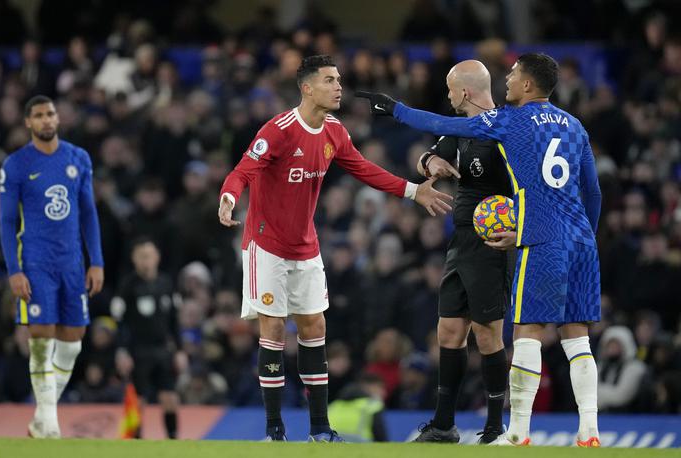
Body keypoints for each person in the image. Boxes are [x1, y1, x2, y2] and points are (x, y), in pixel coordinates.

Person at [357, 52, 602, 447]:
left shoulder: (509, 120)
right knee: (578, 338)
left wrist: (396, 109)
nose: (508, 79)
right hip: (580, 238)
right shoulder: (575, 126)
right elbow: (592, 190)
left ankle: (516, 431)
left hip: (539, 236)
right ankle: (589, 430)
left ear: (527, 85)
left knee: (525, 334)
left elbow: (440, 122)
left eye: (513, 74)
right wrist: (587, 235)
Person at [218, 54, 452, 442]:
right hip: (267, 245)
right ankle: (275, 430)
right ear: (307, 88)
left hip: (305, 246)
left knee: (315, 326)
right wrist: (228, 197)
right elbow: (244, 168)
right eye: (330, 80)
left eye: (339, 79)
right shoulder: (278, 130)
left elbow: (363, 168)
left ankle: (320, 429)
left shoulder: (335, 132)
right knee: (273, 329)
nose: (339, 86)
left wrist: (412, 191)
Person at [407, 60, 513, 444]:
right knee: (449, 331)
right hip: (461, 242)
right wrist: (429, 160)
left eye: (451, 89)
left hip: (492, 244)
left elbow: (530, 185)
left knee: (488, 335)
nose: (448, 96)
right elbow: (424, 159)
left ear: (465, 92)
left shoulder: (505, 129)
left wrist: (517, 226)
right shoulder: (459, 130)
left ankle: (495, 427)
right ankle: (443, 424)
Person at [0, 95, 104, 438]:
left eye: (51, 114)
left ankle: (42, 417)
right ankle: (50, 424)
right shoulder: (16, 164)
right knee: (41, 338)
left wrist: (96, 261)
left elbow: (88, 213)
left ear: (58, 118)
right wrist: (14, 270)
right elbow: (7, 221)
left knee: (73, 342)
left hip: (72, 264)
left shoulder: (78, 158)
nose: (46, 120)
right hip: (35, 263)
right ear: (28, 122)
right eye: (39, 115)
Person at [110, 237, 184, 439]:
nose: (146, 261)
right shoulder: (127, 286)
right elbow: (119, 322)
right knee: (138, 400)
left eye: (149, 256)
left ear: (157, 258)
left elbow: (174, 321)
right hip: (137, 350)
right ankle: (136, 441)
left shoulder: (166, 283)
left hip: (162, 349)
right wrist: (122, 351)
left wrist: (179, 350)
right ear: (134, 259)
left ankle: (173, 439)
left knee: (169, 397)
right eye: (141, 257)